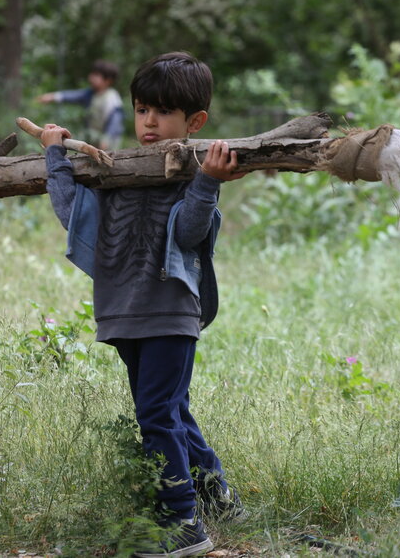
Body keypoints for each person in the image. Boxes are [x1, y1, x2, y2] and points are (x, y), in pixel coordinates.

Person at [40, 52, 246, 558]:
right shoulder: (118, 172)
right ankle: (215, 495)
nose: (149, 122)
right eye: (141, 109)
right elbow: (75, 216)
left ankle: (183, 523)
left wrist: (209, 182)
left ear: (194, 121)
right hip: (124, 312)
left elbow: (194, 232)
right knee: (169, 409)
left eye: (163, 112)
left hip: (170, 314)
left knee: (155, 414)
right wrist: (53, 157)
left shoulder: (191, 172)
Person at [37, 59, 124, 149]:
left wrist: (107, 139)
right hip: (93, 139)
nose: (91, 77)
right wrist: (53, 96)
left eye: (96, 75)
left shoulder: (112, 98)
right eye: (92, 74)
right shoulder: (91, 94)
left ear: (108, 80)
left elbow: (115, 121)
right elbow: (74, 96)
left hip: (109, 141)